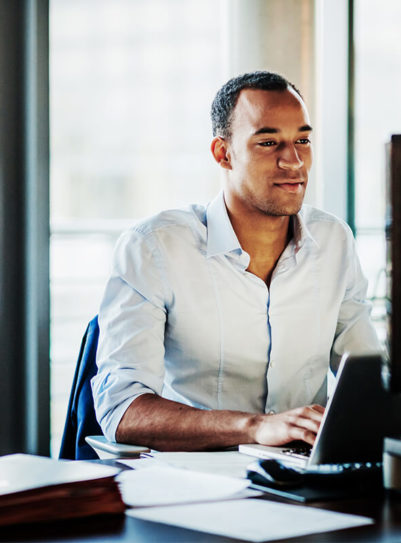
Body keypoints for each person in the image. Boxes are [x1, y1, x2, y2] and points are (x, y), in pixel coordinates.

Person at [91, 71, 380, 452]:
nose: (293, 161)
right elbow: (123, 411)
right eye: (268, 142)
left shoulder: (333, 241)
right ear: (223, 153)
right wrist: (256, 427)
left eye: (303, 140)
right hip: (199, 480)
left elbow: (368, 379)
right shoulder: (155, 247)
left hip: (307, 474)